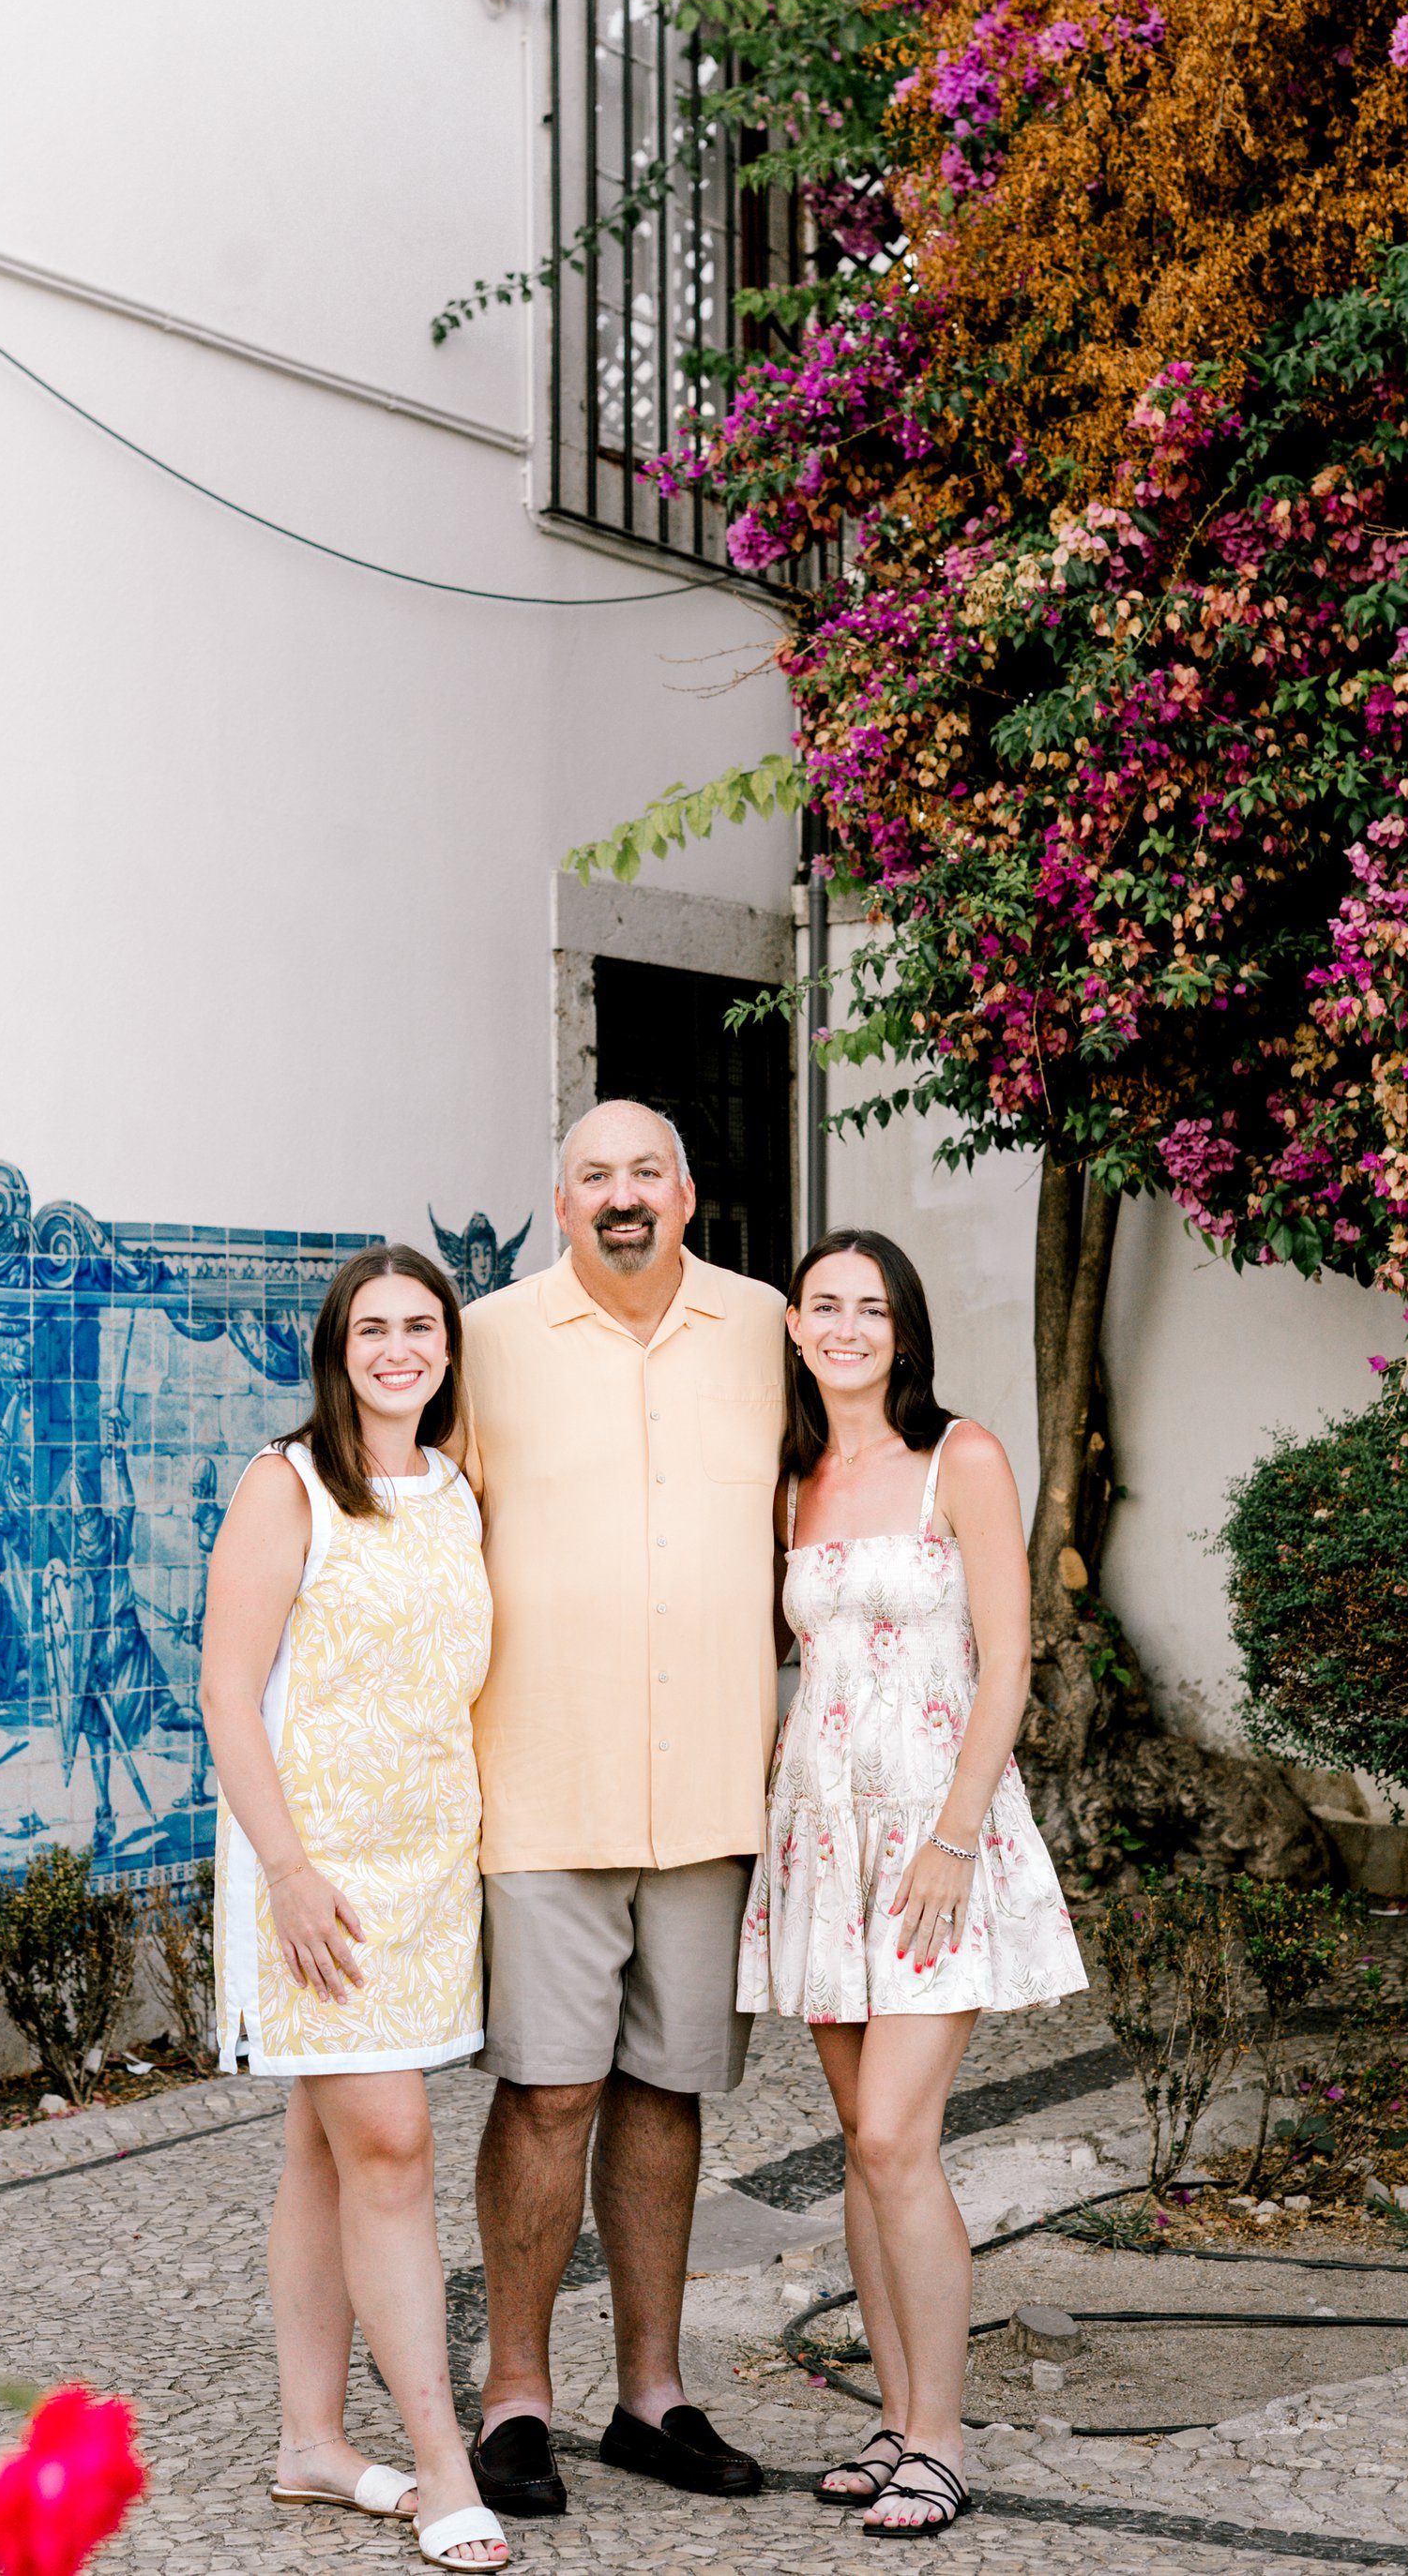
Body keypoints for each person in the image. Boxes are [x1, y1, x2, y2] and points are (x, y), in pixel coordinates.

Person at [459, 1098, 784, 2520]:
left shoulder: (768, 1327)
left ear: (688, 1193)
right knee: (549, 2089)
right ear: (562, 1201)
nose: (623, 1194)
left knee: (667, 2086)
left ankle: (652, 2395)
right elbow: (415, 1525)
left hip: (712, 1787)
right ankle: (514, 2396)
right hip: (545, 1782)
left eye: (647, 1170)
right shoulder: (487, 1340)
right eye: (595, 1175)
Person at [738, 1228, 1087, 2539]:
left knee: (896, 2135)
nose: (845, 1326)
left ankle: (941, 2439)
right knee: (862, 2144)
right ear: (793, 1325)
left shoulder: (964, 1457)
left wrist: (951, 1836)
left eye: (870, 1308)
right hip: (824, 1837)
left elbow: (1009, 1662)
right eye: (824, 1305)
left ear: (904, 1330)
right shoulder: (791, 1482)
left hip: (937, 1840)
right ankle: (894, 2418)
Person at [201, 1246, 508, 2572]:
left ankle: (312, 2443)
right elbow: (226, 1691)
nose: (399, 1349)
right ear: (337, 1348)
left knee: (323, 2155)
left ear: (448, 1347)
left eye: (421, 1326)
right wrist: (287, 1871)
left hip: (430, 1866)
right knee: (390, 2143)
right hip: (314, 1878)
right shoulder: (287, 1484)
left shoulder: (455, 1486)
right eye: (372, 1328)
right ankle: (443, 2465)